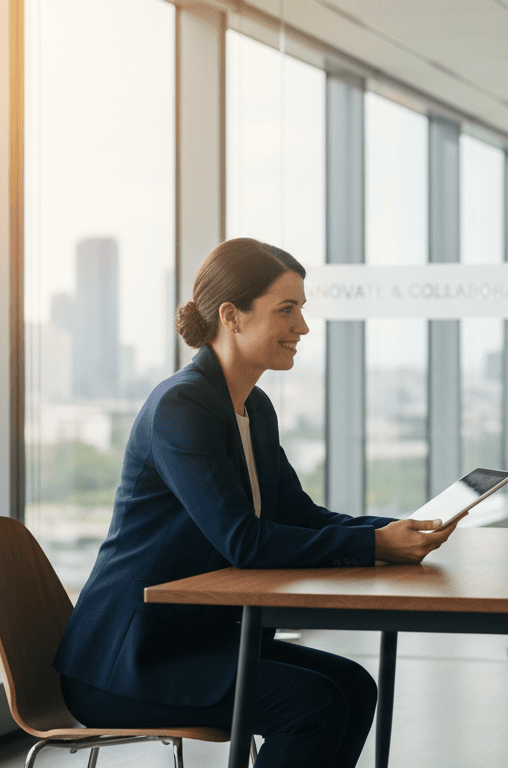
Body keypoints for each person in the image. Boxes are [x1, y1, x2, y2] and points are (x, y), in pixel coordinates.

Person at [53, 238, 453, 768]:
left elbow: (299, 515)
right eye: (286, 310)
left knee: (353, 685)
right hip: (129, 661)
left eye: (301, 310)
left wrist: (394, 530)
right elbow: (244, 541)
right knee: (312, 706)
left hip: (193, 640)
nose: (302, 328)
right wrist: (373, 544)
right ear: (231, 316)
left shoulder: (253, 407)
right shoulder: (182, 405)